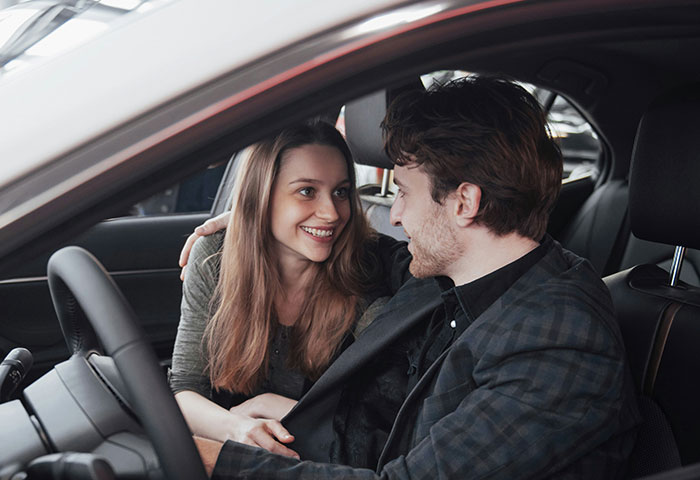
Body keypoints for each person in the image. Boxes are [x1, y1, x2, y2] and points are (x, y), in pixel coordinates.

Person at [188, 76, 640, 479]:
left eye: (403, 192)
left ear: (465, 202)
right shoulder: (464, 279)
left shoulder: (557, 342)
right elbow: (399, 442)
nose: (396, 216)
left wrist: (210, 460)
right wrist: (261, 215)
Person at [170, 121, 401, 459]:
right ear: (262, 195)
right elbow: (184, 391)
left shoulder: (364, 267)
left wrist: (282, 409)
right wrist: (238, 428)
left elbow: (382, 418)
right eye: (307, 191)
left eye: (341, 192)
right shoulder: (216, 256)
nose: (331, 213)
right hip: (228, 445)